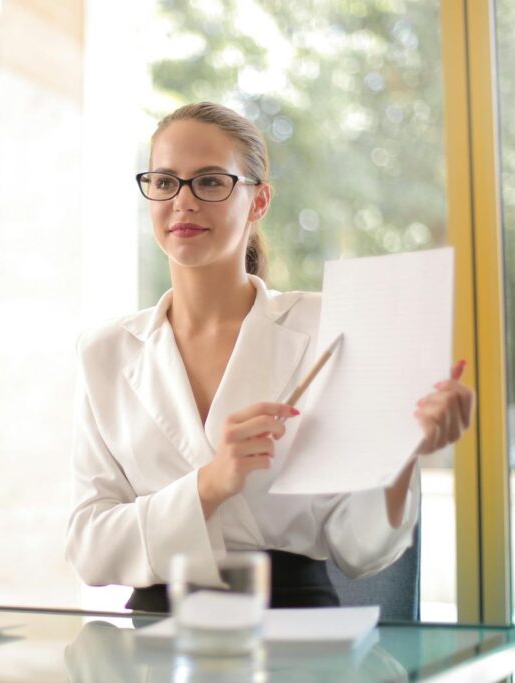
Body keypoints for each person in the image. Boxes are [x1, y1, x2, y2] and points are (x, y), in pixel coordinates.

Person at [64, 102, 474, 612]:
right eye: (165, 181)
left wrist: (405, 448)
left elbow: (360, 548)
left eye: (211, 182)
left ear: (258, 201)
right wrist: (210, 485)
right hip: (154, 635)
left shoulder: (332, 332)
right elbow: (90, 547)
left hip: (295, 623)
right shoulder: (105, 351)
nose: (183, 202)